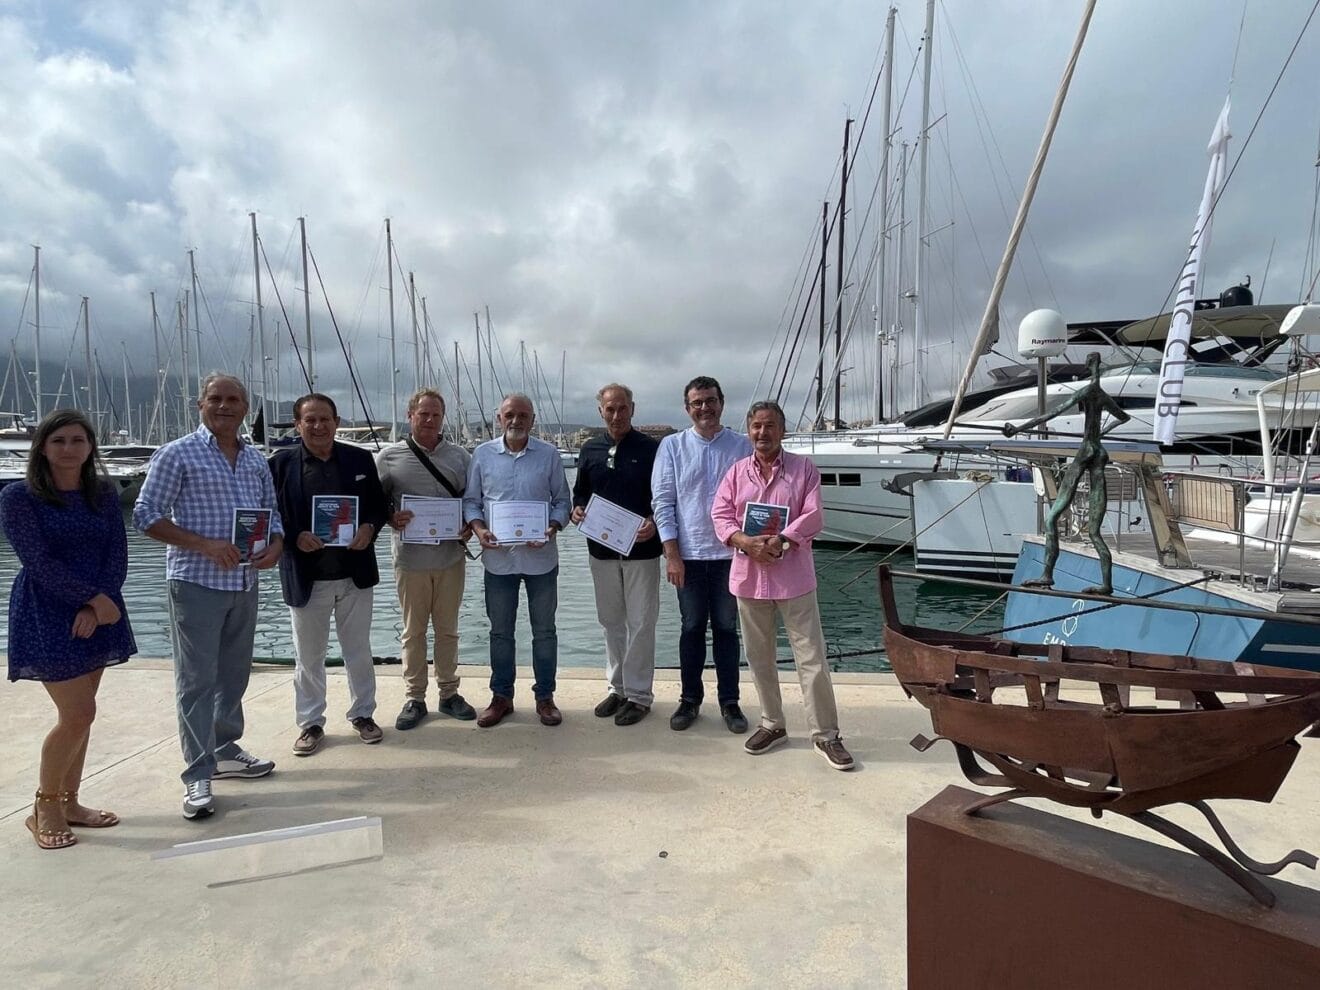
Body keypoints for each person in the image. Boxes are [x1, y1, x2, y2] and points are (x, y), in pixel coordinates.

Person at [133, 373, 284, 820]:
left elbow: (271, 515)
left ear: (245, 407)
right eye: (216, 399)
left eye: (234, 399)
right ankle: (198, 771)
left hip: (244, 583)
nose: (225, 406)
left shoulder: (256, 459)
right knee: (196, 682)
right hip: (196, 583)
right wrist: (204, 544)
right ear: (200, 404)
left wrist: (275, 547)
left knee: (234, 676)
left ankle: (225, 748)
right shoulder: (176, 454)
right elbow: (146, 515)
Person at [1, 410, 137, 849]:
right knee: (77, 714)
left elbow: (117, 553)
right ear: (42, 446)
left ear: (90, 447)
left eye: (77, 440)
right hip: (48, 609)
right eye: (58, 440)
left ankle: (71, 801)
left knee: (83, 713)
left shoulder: (100, 491)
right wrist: (89, 600)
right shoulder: (19, 497)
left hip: (101, 609)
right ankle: (45, 805)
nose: (68, 448)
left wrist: (101, 605)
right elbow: (36, 561)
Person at [710, 400, 855, 771]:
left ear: (782, 430)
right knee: (759, 658)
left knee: (812, 659)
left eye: (770, 426)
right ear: (749, 430)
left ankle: (825, 734)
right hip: (749, 579)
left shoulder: (804, 469)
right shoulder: (736, 472)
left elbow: (814, 514)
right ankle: (772, 723)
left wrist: (783, 540)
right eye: (757, 426)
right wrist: (744, 541)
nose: (763, 433)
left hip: (794, 579)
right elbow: (721, 514)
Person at [269, 393, 390, 756]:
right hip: (306, 577)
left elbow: (378, 507)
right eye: (310, 420)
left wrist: (369, 527)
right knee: (308, 657)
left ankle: (363, 714)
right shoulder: (280, 464)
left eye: (325, 419)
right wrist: (293, 537)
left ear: (336, 422)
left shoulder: (359, 458)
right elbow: (270, 513)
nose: (318, 426)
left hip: (354, 573)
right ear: (298, 424)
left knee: (359, 651)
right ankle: (310, 723)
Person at [651, 375, 752, 733]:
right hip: (689, 557)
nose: (704, 408)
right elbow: (663, 503)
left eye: (710, 400)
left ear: (722, 403)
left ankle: (730, 703)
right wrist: (671, 555)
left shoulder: (743, 446)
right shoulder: (672, 447)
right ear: (687, 408)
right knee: (691, 627)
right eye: (697, 403)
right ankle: (689, 700)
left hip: (732, 556)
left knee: (727, 629)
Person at [463, 393, 571, 728]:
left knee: (545, 631)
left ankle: (545, 697)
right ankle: (501, 697)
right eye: (510, 414)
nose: (516, 420)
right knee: (500, 632)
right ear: (499, 418)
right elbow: (472, 502)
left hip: (541, 559)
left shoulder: (549, 454)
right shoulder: (481, 455)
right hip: (498, 561)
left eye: (523, 415)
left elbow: (562, 502)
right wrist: (479, 530)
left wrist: (552, 528)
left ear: (532, 419)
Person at [375, 388, 476, 730]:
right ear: (410, 416)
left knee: (448, 631)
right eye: (423, 414)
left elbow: (472, 501)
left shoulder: (461, 457)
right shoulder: (389, 457)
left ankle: (449, 693)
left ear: (442, 417)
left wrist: (469, 526)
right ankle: (414, 697)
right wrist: (390, 517)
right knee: (413, 632)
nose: (430, 420)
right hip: (411, 560)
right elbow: (376, 504)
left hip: (450, 558)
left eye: (435, 414)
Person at [1002, 351, 1132, 594]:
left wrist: (1019, 427)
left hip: (1086, 451)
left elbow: (1052, 413)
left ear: (1090, 364)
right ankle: (1106, 584)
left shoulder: (1086, 391)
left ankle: (1047, 575)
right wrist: (1101, 433)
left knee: (1051, 519)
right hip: (1099, 452)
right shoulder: (1103, 395)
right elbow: (1123, 418)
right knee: (1094, 532)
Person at [571, 383, 662, 726]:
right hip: (601, 550)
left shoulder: (652, 449)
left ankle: (639, 695)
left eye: (622, 408)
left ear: (632, 409)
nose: (616, 415)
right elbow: (580, 494)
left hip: (642, 550)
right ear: (600, 412)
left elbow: (663, 497)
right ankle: (617, 688)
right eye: (610, 409)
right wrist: (577, 510)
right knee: (611, 622)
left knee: (641, 623)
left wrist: (654, 522)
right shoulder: (590, 449)